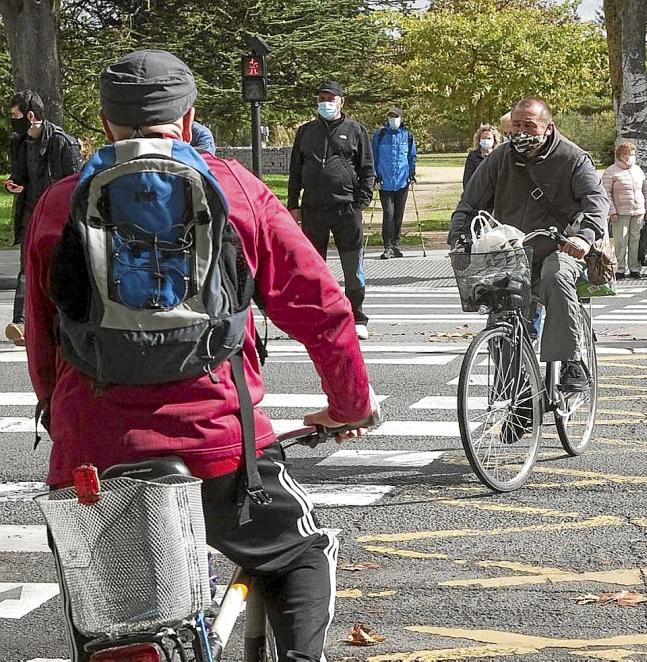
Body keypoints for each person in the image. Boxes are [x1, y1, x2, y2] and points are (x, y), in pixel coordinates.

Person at [24, 49, 375, 662]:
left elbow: (41, 334)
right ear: (188, 120)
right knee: (301, 553)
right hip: (218, 441)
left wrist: (61, 418)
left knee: (107, 622)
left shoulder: (59, 203)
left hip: (94, 453)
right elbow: (322, 310)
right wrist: (348, 404)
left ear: (106, 124)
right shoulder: (236, 190)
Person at [448, 96, 608, 392]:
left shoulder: (573, 158)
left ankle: (571, 361)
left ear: (548, 128)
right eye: (516, 125)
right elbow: (469, 204)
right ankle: (516, 394)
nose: (521, 132)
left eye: (529, 126)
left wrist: (584, 237)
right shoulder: (500, 157)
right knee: (500, 316)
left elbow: (597, 201)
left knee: (556, 277)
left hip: (560, 247)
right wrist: (459, 240)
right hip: (510, 251)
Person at [287, 80, 375, 340]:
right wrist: (293, 205)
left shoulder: (356, 130)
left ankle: (357, 315)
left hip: (346, 209)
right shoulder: (305, 132)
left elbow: (367, 169)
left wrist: (362, 198)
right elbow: (295, 171)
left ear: (341, 101)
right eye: (321, 98)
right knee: (313, 267)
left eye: (330, 98)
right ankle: (316, 315)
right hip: (313, 209)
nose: (325, 103)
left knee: (352, 266)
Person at [4, 90, 81, 347]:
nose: (12, 120)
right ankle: (21, 323)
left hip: (56, 217)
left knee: (58, 268)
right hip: (30, 214)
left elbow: (73, 184)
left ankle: (60, 322)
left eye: (15, 116)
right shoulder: (19, 142)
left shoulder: (62, 143)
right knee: (27, 269)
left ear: (30, 115)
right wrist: (15, 185)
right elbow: (20, 176)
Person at [371, 107, 417, 260]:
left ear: (400, 118)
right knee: (388, 214)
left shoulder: (407, 135)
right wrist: (375, 177)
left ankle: (396, 245)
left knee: (398, 215)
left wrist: (412, 174)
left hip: (402, 182)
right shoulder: (380, 135)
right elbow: (373, 157)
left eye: (395, 117)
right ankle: (388, 246)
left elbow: (411, 156)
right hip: (385, 183)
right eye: (391, 117)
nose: (393, 119)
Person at [602, 142, 647, 279]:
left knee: (636, 240)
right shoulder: (611, 172)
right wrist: (612, 211)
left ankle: (635, 268)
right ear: (622, 156)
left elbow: (645, 191)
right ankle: (620, 268)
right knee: (620, 241)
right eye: (630, 154)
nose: (632, 157)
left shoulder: (637, 170)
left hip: (638, 211)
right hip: (620, 212)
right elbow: (605, 193)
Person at [463, 123, 500, 189]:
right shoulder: (473, 155)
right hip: (477, 191)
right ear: (479, 140)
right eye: (483, 138)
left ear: (494, 141)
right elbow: (467, 178)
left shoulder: (498, 155)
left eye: (489, 138)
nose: (486, 140)